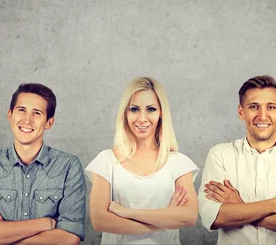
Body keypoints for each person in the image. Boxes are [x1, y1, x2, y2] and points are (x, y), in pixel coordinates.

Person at [198, 75, 276, 245]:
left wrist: (238, 206)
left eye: (271, 107)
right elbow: (211, 216)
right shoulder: (220, 155)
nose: (263, 116)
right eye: (254, 107)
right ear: (241, 112)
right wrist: (275, 204)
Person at [0, 83, 85, 245]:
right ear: (10, 115)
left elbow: (69, 238)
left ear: (49, 122)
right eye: (21, 110)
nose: (27, 120)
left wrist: (1, 234)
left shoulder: (68, 166)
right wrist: (45, 223)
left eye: (36, 113)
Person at [85, 77, 199, 244]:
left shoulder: (179, 163)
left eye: (151, 109)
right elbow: (99, 220)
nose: (142, 118)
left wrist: (126, 212)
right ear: (125, 113)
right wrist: (165, 219)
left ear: (161, 113)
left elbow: (189, 216)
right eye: (134, 109)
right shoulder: (106, 161)